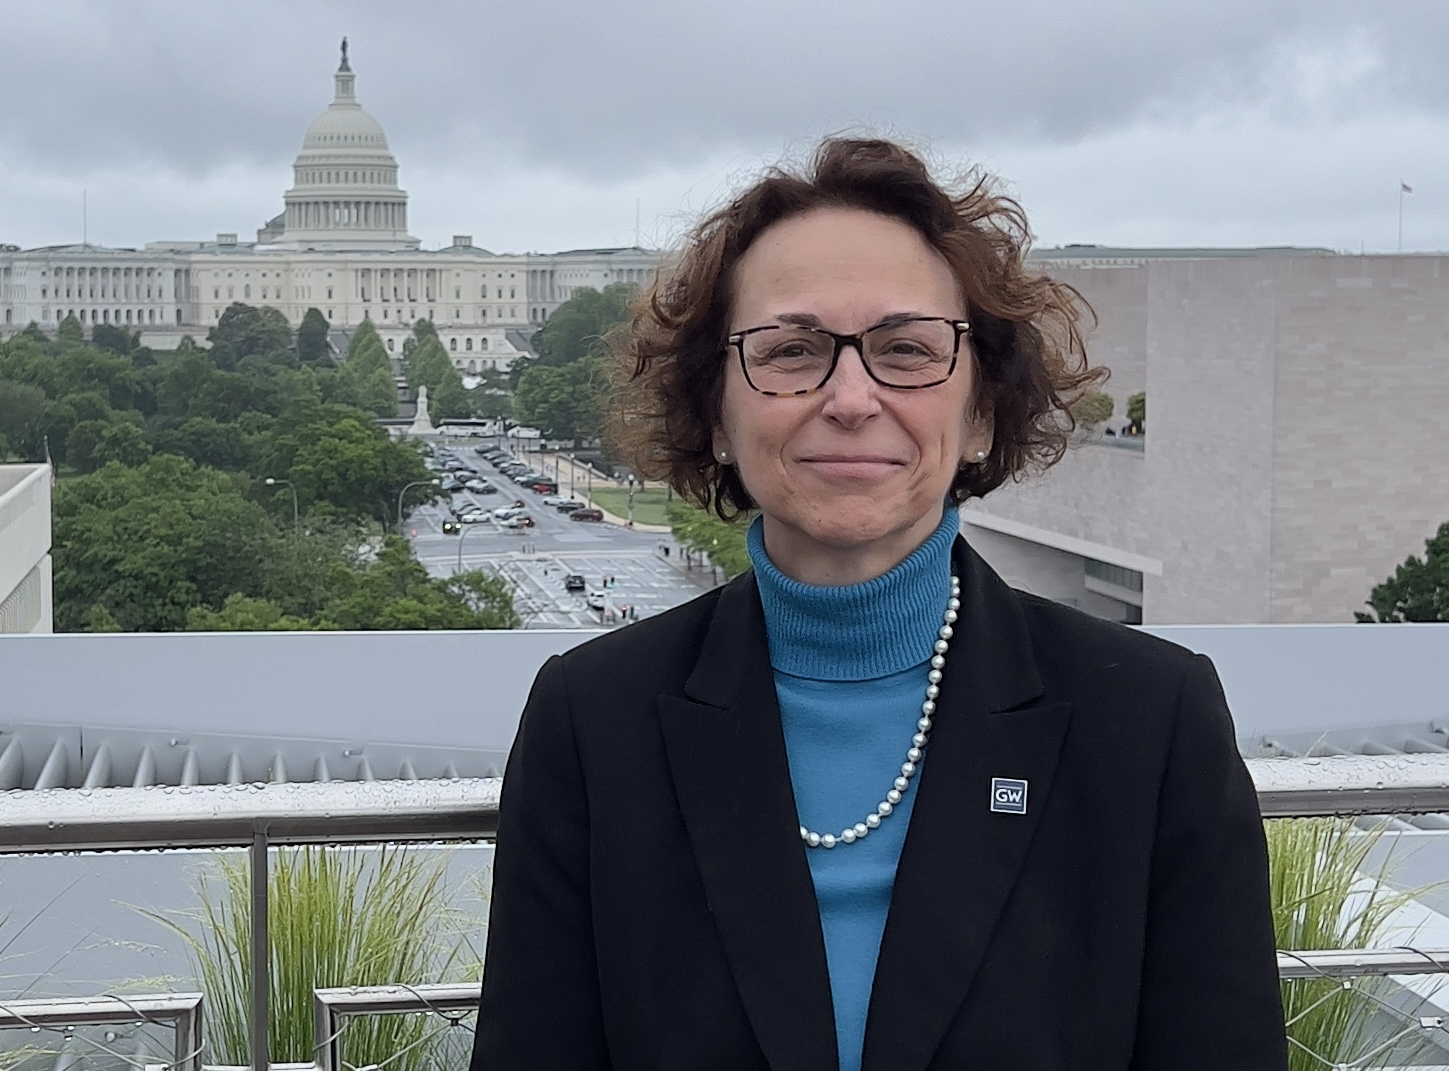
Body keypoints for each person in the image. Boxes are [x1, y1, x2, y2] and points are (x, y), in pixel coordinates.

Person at [473, 139, 1286, 1069]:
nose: (850, 398)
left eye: (906, 350)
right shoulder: (592, 718)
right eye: (790, 351)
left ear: (981, 411)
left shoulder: (1147, 719)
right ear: (714, 414)